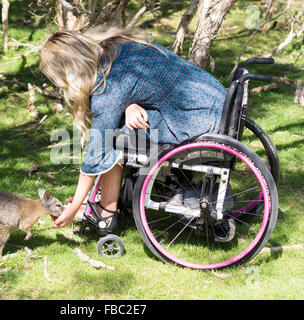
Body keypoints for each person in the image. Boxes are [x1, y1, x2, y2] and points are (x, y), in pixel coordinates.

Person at [39, 27, 226, 229]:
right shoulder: (119, 50)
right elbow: (139, 85)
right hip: (214, 103)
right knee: (119, 130)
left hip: (198, 119)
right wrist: (129, 105)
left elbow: (96, 152)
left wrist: (74, 207)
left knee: (114, 139)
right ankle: (106, 203)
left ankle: (106, 213)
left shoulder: (106, 90)